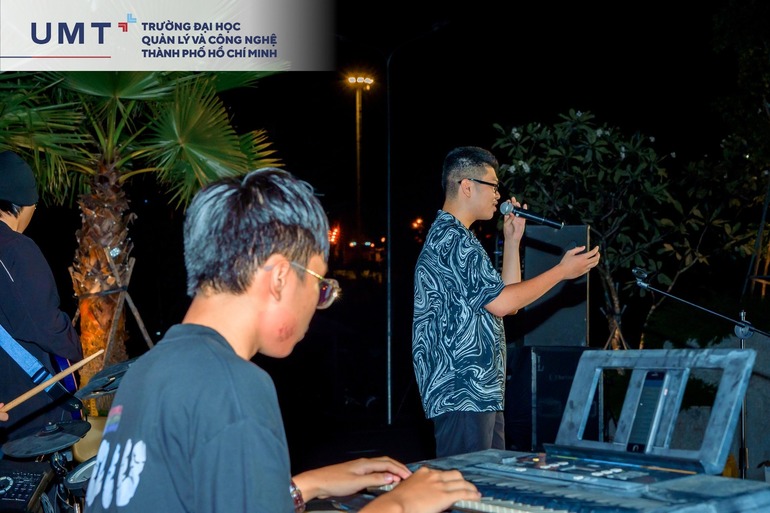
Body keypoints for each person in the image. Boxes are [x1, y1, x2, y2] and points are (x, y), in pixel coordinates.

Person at [84, 168, 480, 513]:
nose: (318, 304)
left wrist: (306, 485)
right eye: (320, 284)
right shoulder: (233, 386)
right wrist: (401, 504)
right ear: (279, 278)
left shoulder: (148, 371)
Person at [412, 146, 601, 458]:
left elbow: (508, 302)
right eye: (493, 186)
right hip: (463, 390)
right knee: (468, 484)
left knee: (485, 484)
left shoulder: (460, 237)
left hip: (479, 391)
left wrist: (512, 241)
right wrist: (561, 272)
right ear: (467, 186)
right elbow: (501, 303)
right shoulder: (452, 239)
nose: (498, 195)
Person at [0, 150, 83, 453]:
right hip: (26, 407)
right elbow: (45, 325)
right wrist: (74, 349)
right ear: (25, 205)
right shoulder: (16, 249)